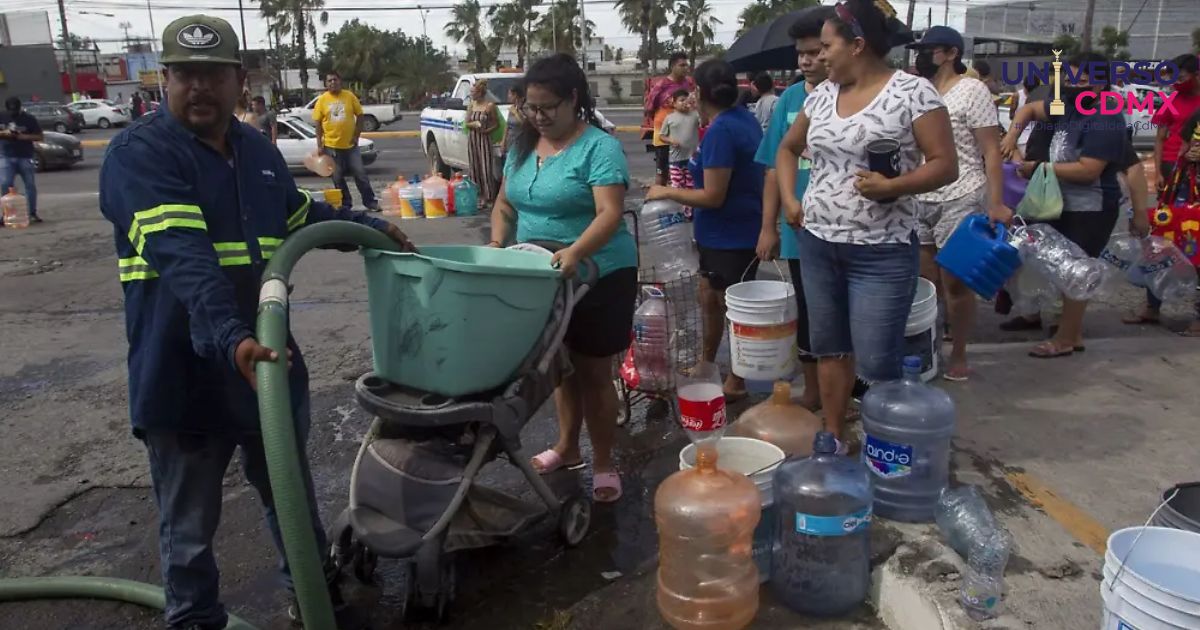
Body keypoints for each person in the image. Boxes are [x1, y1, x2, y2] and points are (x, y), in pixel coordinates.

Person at [97, 16, 416, 630]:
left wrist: (373, 230)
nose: (199, 88)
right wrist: (232, 337)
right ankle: (195, 620)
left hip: (270, 365)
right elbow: (183, 257)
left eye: (212, 74)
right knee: (189, 528)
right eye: (185, 74)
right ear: (163, 80)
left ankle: (314, 597)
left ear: (239, 80)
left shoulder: (258, 152)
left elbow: (300, 216)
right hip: (186, 374)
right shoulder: (139, 156)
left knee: (289, 499)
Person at [776, 0, 958, 442]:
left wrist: (892, 186)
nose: (819, 57)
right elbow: (787, 149)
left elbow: (944, 165)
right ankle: (835, 437)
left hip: (881, 250)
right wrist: (789, 199)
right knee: (830, 349)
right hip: (819, 244)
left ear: (857, 45)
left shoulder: (912, 93)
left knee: (877, 360)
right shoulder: (820, 97)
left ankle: (887, 444)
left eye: (826, 47)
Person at [493, 54, 637, 503]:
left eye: (547, 107)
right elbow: (504, 204)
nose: (538, 117)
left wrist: (575, 251)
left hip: (599, 272)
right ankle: (567, 447)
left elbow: (609, 214)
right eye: (530, 108)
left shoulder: (599, 147)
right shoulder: (522, 144)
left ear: (574, 98)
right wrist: (498, 247)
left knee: (593, 372)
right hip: (539, 276)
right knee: (559, 370)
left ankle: (603, 461)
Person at [647, 59, 766, 400]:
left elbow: (713, 196)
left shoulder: (722, 132)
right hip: (724, 233)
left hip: (732, 235)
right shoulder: (741, 120)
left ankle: (738, 380)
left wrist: (666, 191)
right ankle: (707, 362)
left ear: (699, 92)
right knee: (708, 298)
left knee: (732, 308)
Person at [1000, 52, 1129, 357]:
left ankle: (1066, 338)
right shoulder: (1070, 107)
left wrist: (1038, 168)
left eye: (1079, 81)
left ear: (1098, 84)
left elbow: (1088, 170)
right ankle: (1073, 333)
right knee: (1064, 268)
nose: (1069, 85)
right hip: (1066, 202)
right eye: (1067, 79)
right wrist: (1011, 136)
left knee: (1077, 270)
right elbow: (1029, 108)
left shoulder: (1105, 116)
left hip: (1092, 206)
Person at [908, 26, 1012, 381]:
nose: (921, 57)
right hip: (920, 195)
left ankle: (960, 353)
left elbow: (990, 151)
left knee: (955, 283)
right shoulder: (918, 90)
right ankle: (930, 351)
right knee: (926, 284)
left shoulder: (972, 90)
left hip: (960, 194)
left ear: (951, 53)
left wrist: (995, 203)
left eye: (930, 50)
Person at [754, 6, 834, 410]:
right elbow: (773, 168)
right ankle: (815, 395)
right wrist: (768, 226)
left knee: (842, 313)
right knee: (807, 310)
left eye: (816, 51)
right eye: (800, 53)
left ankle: (846, 392)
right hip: (798, 228)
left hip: (843, 228)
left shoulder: (854, 97)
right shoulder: (789, 98)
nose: (805, 60)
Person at [1125, 53, 1200, 330]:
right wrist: (1157, 172)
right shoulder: (1172, 101)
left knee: (1196, 244)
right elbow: (1160, 138)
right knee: (1160, 241)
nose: (1177, 83)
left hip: (1196, 180)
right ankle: (1152, 306)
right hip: (1173, 175)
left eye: (1182, 78)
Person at [313, 71, 380, 211]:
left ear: (340, 81)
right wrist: (319, 145)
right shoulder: (322, 100)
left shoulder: (349, 96)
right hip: (331, 147)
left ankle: (370, 202)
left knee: (360, 173)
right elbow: (318, 124)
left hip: (350, 146)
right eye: (329, 81)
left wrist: (356, 135)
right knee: (337, 177)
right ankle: (346, 204)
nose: (333, 83)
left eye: (335, 80)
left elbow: (360, 115)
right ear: (326, 84)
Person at [645, 52, 695, 186]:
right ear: (672, 66)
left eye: (687, 65)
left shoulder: (689, 83)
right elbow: (649, 107)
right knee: (663, 171)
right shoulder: (661, 85)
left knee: (685, 170)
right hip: (664, 134)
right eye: (682, 65)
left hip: (684, 136)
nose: (686, 68)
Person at [0, 96, 44, 225]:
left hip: (25, 156)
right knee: (5, 184)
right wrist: (5, 134)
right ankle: (7, 214)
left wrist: (22, 136)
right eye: (10, 111)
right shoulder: (2, 116)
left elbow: (39, 136)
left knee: (30, 185)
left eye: (15, 111)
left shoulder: (29, 119)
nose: (12, 114)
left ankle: (32, 213)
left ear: (20, 108)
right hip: (6, 155)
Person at [658, 89, 701, 207]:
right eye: (681, 100)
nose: (684, 103)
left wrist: (696, 105)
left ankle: (690, 211)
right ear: (674, 103)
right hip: (675, 159)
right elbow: (661, 136)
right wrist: (670, 140)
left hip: (692, 158)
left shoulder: (695, 115)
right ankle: (678, 210)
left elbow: (705, 122)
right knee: (677, 186)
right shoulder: (669, 118)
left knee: (691, 186)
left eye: (686, 100)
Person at [467, 79, 501, 210]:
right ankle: (478, 196)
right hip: (473, 139)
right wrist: (474, 124)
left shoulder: (489, 106)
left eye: (473, 92)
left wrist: (487, 130)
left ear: (480, 93)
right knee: (474, 168)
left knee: (486, 168)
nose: (472, 95)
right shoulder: (471, 105)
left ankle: (489, 197)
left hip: (484, 138)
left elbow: (496, 123)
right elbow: (467, 122)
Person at [500, 83, 526, 164]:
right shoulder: (512, 108)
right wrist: (503, 142)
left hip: (521, 142)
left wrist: (516, 113)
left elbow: (525, 124)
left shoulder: (525, 107)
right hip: (510, 142)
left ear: (515, 95)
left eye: (510, 94)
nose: (508, 96)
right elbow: (507, 126)